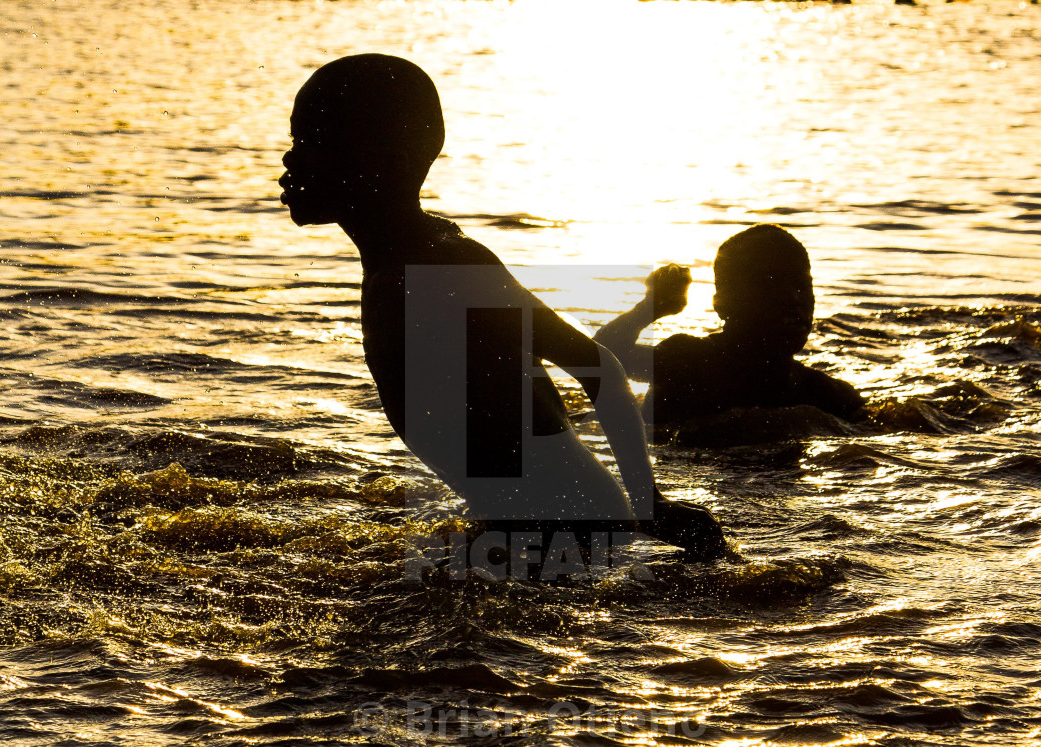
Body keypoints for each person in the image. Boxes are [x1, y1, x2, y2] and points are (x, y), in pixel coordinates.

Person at [279, 54, 725, 560]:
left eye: (309, 143)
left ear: (377, 158)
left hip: (569, 536)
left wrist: (652, 506)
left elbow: (598, 365)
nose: (290, 161)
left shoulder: (441, 266)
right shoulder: (405, 260)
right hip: (538, 532)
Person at [594, 224, 863, 434]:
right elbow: (599, 357)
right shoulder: (689, 362)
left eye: (801, 287)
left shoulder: (824, 394)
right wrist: (649, 309)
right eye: (769, 286)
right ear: (722, 305)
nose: (793, 299)